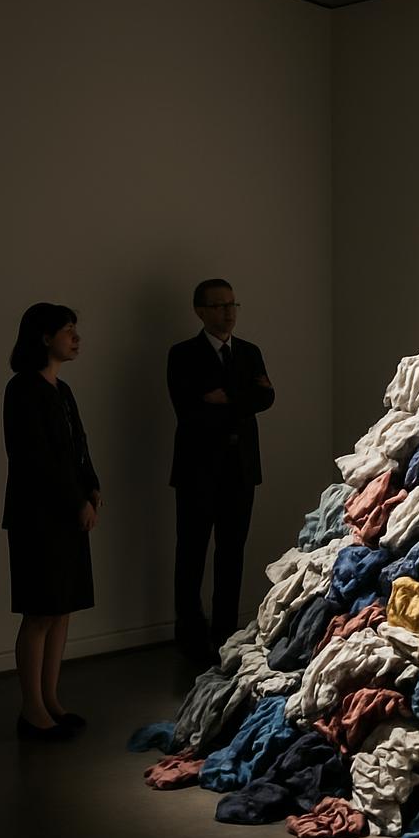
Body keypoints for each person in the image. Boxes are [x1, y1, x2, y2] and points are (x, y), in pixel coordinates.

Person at [4, 303, 101, 741]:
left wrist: (92, 487)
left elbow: (78, 447)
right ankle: (32, 710)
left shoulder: (62, 391)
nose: (75, 338)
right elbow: (36, 460)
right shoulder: (22, 389)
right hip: (38, 516)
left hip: (67, 512)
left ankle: (51, 700)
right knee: (40, 611)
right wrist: (76, 500)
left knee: (61, 609)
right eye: (67, 330)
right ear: (44, 338)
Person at [168, 279, 274, 662]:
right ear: (200, 311)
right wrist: (244, 395)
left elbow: (267, 397)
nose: (228, 312)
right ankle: (190, 633)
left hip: (241, 469)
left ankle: (225, 632)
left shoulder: (249, 352)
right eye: (218, 306)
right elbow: (189, 409)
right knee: (192, 552)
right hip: (197, 470)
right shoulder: (182, 355)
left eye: (232, 304)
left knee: (232, 552)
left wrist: (224, 396)